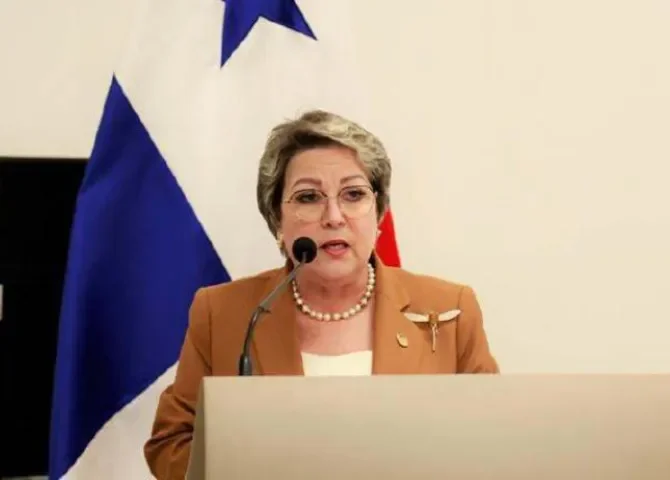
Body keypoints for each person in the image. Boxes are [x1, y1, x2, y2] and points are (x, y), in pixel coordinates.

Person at [144, 109, 499, 479]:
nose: (334, 216)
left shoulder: (450, 309)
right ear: (277, 220)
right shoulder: (222, 313)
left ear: (378, 213)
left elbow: (491, 439)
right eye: (309, 197)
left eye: (354, 194)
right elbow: (172, 442)